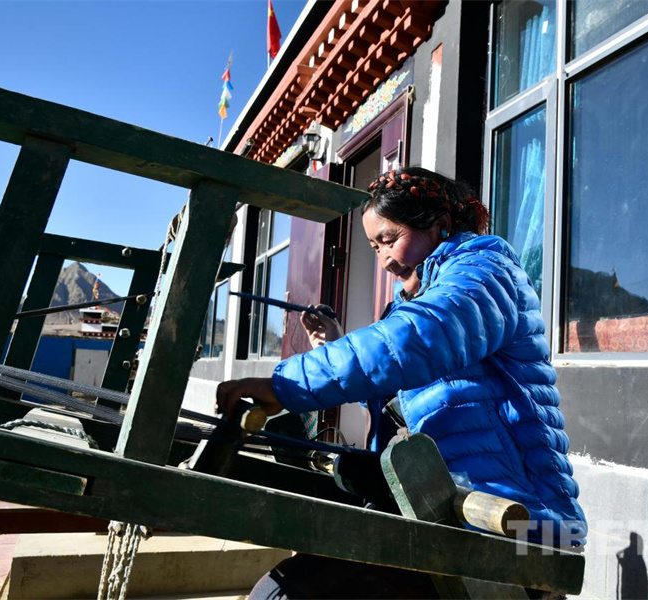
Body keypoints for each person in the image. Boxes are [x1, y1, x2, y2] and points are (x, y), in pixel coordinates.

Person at [216, 167, 587, 597]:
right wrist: (333, 347)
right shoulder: (416, 301)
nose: (385, 260)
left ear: (440, 226)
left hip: (525, 526)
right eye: (375, 247)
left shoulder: (485, 272)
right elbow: (395, 378)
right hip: (447, 512)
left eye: (390, 239)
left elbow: (417, 339)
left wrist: (289, 385)